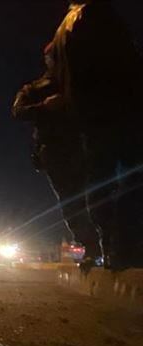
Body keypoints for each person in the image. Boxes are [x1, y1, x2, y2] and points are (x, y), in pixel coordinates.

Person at [47, 0, 143, 269]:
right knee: (134, 178)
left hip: (89, 117)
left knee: (100, 181)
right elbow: (125, 61)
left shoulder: (63, 28)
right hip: (118, 109)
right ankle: (124, 246)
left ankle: (111, 245)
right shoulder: (95, 13)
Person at [12, 41, 101, 267]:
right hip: (55, 150)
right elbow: (17, 111)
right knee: (71, 200)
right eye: (57, 55)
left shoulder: (81, 82)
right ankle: (91, 246)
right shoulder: (34, 88)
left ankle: (109, 246)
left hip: (86, 145)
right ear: (48, 59)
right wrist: (44, 106)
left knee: (97, 195)